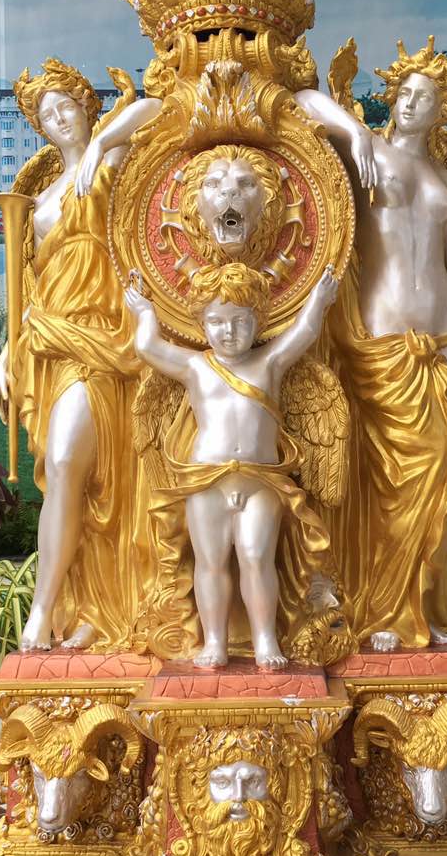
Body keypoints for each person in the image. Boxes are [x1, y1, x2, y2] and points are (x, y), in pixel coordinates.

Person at [296, 38, 447, 650]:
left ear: (445, 110)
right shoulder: (368, 151)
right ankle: (384, 613)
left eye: (428, 97)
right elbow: (302, 100)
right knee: (387, 482)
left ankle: (427, 612)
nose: (414, 103)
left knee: (441, 481)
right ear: (391, 97)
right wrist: (351, 131)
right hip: (385, 338)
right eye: (407, 93)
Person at [0, 58, 157, 651]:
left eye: (68, 105)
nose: (60, 118)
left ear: (88, 107)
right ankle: (83, 607)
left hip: (103, 337)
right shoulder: (38, 198)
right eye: (47, 113)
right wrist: (7, 350)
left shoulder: (110, 160)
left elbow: (158, 109)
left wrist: (105, 141)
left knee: (79, 467)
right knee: (74, 477)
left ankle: (50, 609)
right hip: (49, 341)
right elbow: (29, 287)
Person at [125, 261, 339, 668]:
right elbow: (148, 348)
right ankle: (214, 642)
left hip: (261, 481)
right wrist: (144, 312)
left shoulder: (270, 362)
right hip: (207, 480)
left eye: (240, 321)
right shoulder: (195, 366)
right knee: (211, 562)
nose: (229, 331)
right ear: (201, 325)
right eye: (217, 321)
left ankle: (265, 640)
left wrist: (320, 299)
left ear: (258, 321)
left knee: (256, 557)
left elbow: (304, 332)